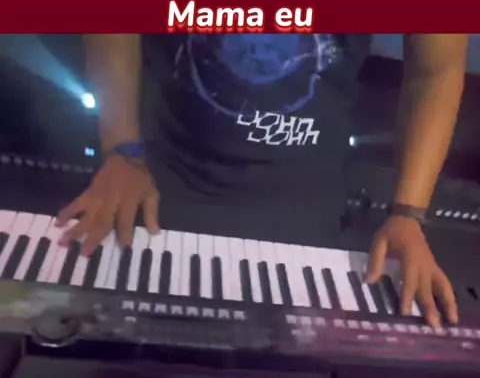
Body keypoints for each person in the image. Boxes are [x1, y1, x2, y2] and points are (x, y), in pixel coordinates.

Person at [56, 33, 468, 328]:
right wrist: (124, 149)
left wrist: (407, 213)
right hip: (161, 183)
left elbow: (436, 70)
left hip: (304, 205)